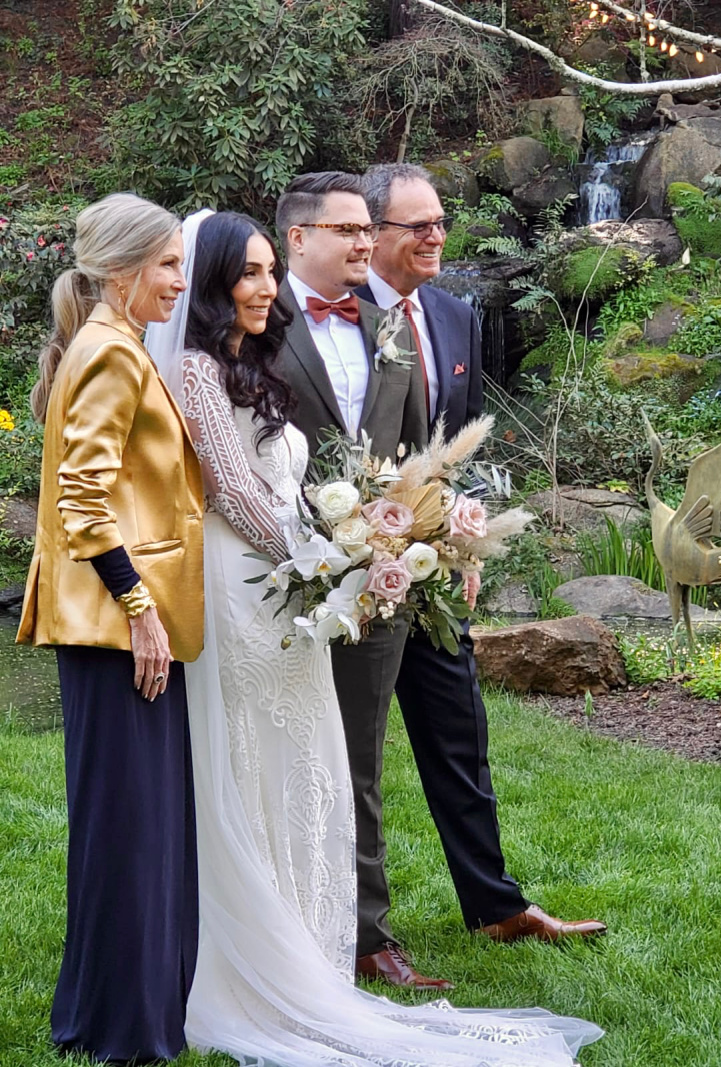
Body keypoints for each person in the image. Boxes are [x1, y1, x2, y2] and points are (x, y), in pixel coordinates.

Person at [146, 206, 603, 1067]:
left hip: (298, 584)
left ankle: (316, 945)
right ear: (209, 281)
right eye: (245, 273)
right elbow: (232, 492)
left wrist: (370, 543)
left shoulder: (254, 359)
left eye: (265, 273)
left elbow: (297, 478)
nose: (263, 287)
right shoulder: (196, 373)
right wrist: (337, 560)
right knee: (254, 765)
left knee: (311, 763)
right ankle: (252, 956)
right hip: (248, 590)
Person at [357, 162, 608, 948]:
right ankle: (361, 928)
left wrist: (464, 544)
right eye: (418, 225)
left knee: (460, 736)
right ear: (372, 235)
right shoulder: (334, 317)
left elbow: (453, 453)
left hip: (431, 571)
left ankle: (498, 907)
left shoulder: (457, 316)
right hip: (348, 570)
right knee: (350, 756)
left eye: (440, 222)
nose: (437, 236)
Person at [16, 192, 203, 1064]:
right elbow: (83, 502)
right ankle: (125, 1030)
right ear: (123, 271)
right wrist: (141, 612)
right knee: (133, 832)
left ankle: (102, 1019)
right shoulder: (112, 355)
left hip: (111, 630)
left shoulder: (107, 343)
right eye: (167, 263)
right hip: (116, 633)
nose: (180, 279)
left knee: (128, 827)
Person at [273, 171, 446, 989]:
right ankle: (278, 916)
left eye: (364, 230)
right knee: (278, 750)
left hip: (378, 583)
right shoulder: (251, 324)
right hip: (273, 583)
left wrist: (423, 548)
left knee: (360, 757)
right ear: (297, 239)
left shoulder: (390, 326)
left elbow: (416, 454)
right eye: (345, 230)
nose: (363, 243)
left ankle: (368, 933)